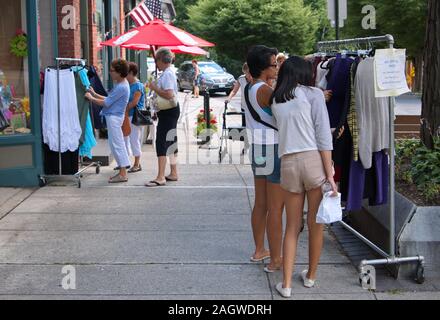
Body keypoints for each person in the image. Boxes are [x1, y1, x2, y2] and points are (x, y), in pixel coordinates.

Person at [270, 56, 338, 298]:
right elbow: (322, 135)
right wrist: (329, 171)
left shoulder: (276, 99)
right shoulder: (313, 94)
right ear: (304, 74)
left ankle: (286, 284)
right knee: (315, 224)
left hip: (288, 162)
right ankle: (310, 276)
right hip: (312, 161)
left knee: (292, 226)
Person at [245, 45, 284, 272]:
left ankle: (260, 250)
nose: (277, 67)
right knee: (275, 208)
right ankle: (276, 259)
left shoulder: (250, 88)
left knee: (261, 203)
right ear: (263, 67)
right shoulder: (266, 91)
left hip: (258, 148)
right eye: (273, 64)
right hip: (273, 148)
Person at [85, 59, 131, 183]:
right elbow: (110, 98)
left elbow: (106, 103)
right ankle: (123, 171)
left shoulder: (121, 86)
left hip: (115, 118)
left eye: (112, 71)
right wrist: (94, 93)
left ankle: (123, 173)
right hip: (115, 117)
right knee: (116, 144)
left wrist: (90, 98)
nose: (110, 73)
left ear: (119, 72)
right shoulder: (122, 84)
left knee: (117, 145)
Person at [145, 47, 180, 187]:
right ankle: (173, 172)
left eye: (156, 60)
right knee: (171, 142)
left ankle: (160, 176)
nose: (156, 63)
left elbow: (169, 94)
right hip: (170, 111)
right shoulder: (168, 73)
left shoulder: (167, 74)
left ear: (160, 60)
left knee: (161, 142)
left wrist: (154, 88)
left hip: (168, 111)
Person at [124, 62, 146, 173]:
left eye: (126, 73)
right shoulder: (128, 84)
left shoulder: (138, 86)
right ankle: (126, 162)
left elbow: (134, 102)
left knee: (134, 139)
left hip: (134, 116)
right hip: (128, 115)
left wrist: (123, 109)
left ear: (132, 73)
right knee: (127, 139)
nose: (124, 75)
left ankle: (137, 163)